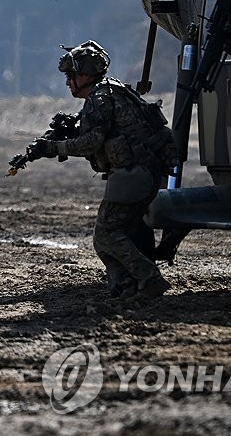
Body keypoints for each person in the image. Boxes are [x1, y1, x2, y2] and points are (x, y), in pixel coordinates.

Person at [31, 40, 175, 303]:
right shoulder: (111, 91)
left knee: (106, 234)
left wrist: (53, 147)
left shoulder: (99, 97)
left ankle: (149, 278)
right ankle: (127, 286)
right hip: (142, 172)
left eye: (70, 76)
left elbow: (92, 142)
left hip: (134, 174)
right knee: (117, 233)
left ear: (84, 75)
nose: (68, 83)